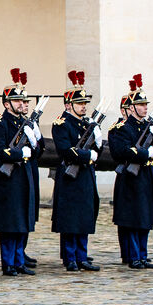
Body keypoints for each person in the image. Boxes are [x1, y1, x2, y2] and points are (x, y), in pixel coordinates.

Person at [0, 77, 40, 276]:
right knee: (10, 222)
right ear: (7, 103)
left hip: (24, 176)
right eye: (16, 100)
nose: (21, 103)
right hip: (8, 179)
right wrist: (20, 153)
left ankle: (19, 261)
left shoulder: (25, 122)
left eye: (22, 100)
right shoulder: (0, 123)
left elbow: (37, 153)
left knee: (21, 220)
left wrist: (35, 141)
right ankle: (8, 263)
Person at [109, 79, 153, 270]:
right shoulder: (123, 128)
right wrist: (146, 153)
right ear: (131, 108)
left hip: (147, 175)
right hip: (131, 178)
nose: (145, 108)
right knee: (133, 218)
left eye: (145, 104)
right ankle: (133, 256)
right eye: (140, 105)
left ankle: (143, 255)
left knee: (145, 217)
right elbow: (122, 151)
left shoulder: (148, 127)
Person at [51, 74, 100, 272]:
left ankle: (82, 256)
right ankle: (70, 257)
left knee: (84, 216)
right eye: (79, 103)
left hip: (85, 176)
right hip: (70, 177)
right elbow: (66, 150)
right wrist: (88, 155)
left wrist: (96, 143)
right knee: (70, 218)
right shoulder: (61, 123)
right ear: (68, 105)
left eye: (84, 103)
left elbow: (95, 150)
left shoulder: (86, 124)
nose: (83, 106)